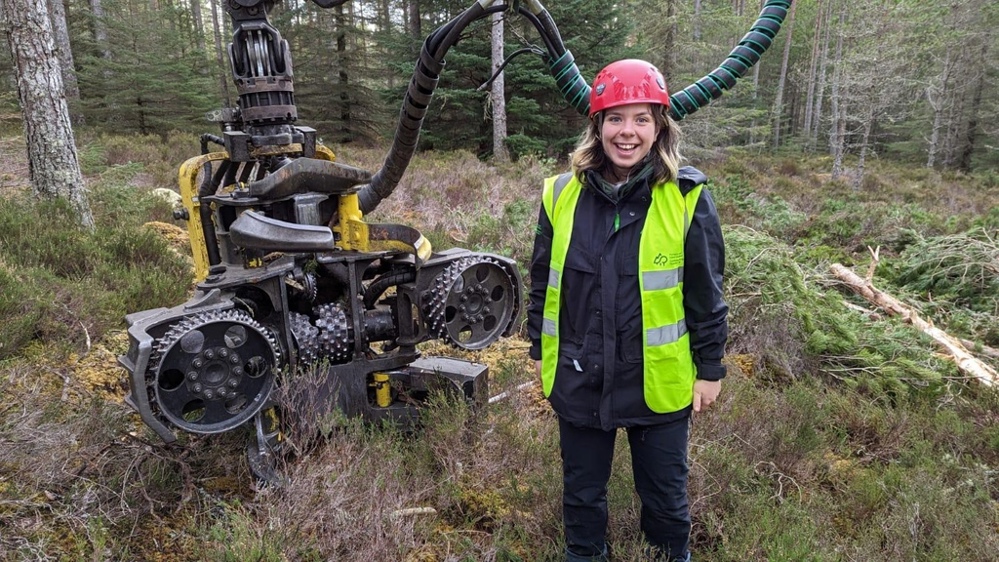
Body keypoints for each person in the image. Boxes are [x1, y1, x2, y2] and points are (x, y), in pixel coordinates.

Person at [527, 59, 729, 562]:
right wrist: (539, 348)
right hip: (579, 374)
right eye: (616, 117)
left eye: (642, 118)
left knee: (665, 501)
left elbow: (705, 293)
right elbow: (543, 281)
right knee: (582, 496)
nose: (627, 132)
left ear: (660, 126)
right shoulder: (559, 194)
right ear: (597, 125)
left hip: (657, 381)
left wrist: (710, 369)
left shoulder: (686, 197)